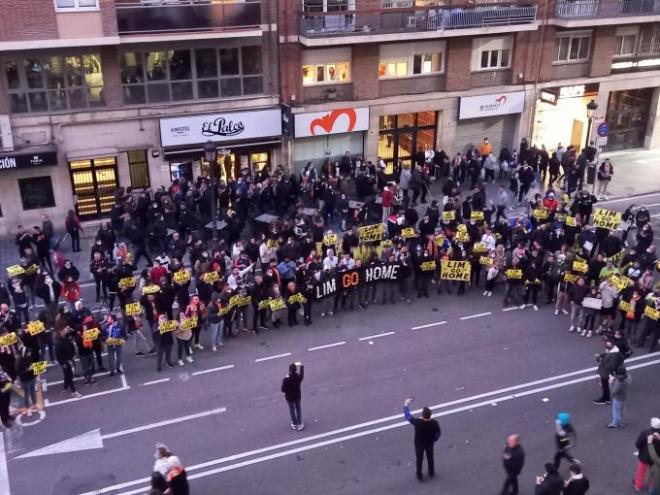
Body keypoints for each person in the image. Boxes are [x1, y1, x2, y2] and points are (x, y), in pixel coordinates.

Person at [403, 397, 441, 482]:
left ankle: (419, 475)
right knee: (430, 457)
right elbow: (438, 434)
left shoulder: (418, 422)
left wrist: (406, 404)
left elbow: (407, 416)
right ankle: (431, 472)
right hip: (429, 443)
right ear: (430, 415)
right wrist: (434, 439)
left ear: (422, 415)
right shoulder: (434, 423)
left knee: (419, 459)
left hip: (419, 444)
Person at [634, 417, 660, 491]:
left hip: (644, 456)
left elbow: (638, 443)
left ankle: (638, 485)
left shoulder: (645, 432)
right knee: (654, 472)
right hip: (655, 457)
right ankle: (652, 485)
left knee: (641, 471)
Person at [593, 339, 623, 405]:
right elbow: (606, 354)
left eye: (608, 345)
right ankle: (606, 398)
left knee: (605, 385)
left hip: (607, 373)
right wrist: (601, 355)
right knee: (605, 385)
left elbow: (610, 366)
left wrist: (602, 360)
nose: (606, 347)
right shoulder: (612, 350)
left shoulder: (614, 355)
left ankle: (605, 399)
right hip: (607, 372)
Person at [281, 361, 304, 430]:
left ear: (289, 370)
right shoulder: (298, 377)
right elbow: (302, 375)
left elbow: (283, 390)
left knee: (292, 410)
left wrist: (286, 377)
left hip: (289, 398)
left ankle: (294, 423)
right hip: (297, 396)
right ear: (295, 370)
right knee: (298, 409)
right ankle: (299, 423)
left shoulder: (286, 379)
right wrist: (302, 366)